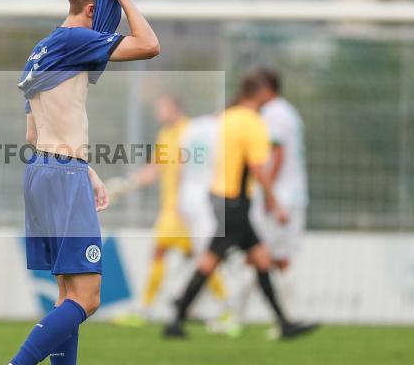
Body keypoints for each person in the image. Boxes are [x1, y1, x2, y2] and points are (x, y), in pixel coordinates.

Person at [0, 0, 160, 365]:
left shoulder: (42, 48)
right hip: (62, 176)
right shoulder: (78, 39)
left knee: (67, 295)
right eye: (110, 12)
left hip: (42, 171)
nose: (113, 23)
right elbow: (150, 44)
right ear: (94, 9)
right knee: (90, 297)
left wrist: (88, 170)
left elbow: (33, 129)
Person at [163, 71, 317, 340]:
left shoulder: (225, 118)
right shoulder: (253, 122)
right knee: (211, 261)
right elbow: (258, 167)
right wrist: (274, 202)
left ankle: (284, 324)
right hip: (234, 201)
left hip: (220, 196)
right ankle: (176, 317)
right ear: (260, 94)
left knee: (260, 259)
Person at [108, 96, 229, 327]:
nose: (157, 113)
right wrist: (128, 184)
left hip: (185, 209)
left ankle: (147, 309)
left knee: (198, 257)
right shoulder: (165, 134)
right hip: (174, 208)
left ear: (175, 108)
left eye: (161, 108)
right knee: (197, 257)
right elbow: (156, 168)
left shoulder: (190, 131)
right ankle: (222, 307)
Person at [245, 67, 309, 336]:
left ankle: (288, 318)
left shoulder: (273, 114)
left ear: (265, 89)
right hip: (292, 193)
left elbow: (277, 151)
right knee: (268, 256)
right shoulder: (289, 111)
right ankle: (284, 319)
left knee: (265, 255)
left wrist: (270, 195)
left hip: (280, 195)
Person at [177, 112, 241, 337]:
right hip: (208, 198)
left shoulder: (189, 128)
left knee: (204, 257)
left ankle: (206, 308)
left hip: (188, 197)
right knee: (211, 257)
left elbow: (180, 164)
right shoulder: (222, 130)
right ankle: (226, 309)